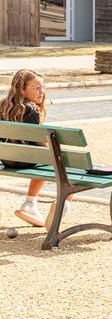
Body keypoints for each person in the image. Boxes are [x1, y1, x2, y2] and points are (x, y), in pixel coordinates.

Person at [3, 69, 73, 227]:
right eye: (37, 88)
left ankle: (30, 204)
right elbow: (40, 143)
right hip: (26, 160)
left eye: (43, 87)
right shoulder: (31, 110)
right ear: (22, 89)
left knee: (44, 157)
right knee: (62, 163)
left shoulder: (3, 106)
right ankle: (62, 205)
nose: (42, 92)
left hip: (7, 160)